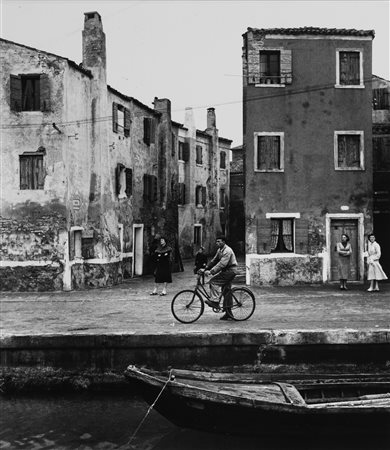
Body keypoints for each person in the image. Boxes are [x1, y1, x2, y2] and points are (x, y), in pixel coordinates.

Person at [202, 236, 238, 321]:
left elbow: (222, 264)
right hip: (226, 271)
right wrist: (206, 268)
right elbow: (214, 261)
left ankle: (215, 301)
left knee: (213, 282)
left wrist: (211, 272)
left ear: (224, 242)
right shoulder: (219, 250)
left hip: (230, 271)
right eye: (216, 241)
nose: (216, 243)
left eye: (218, 241)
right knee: (226, 292)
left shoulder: (227, 250)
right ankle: (229, 313)